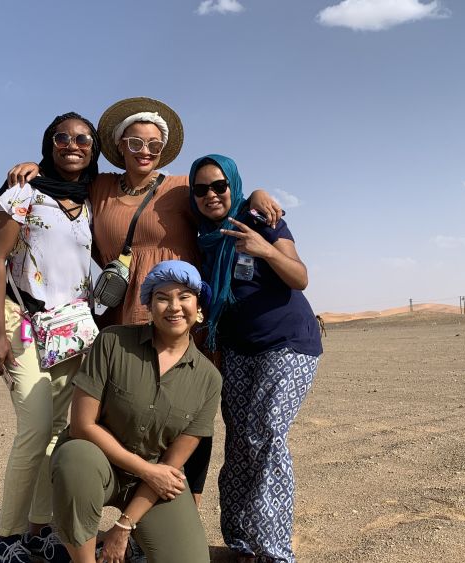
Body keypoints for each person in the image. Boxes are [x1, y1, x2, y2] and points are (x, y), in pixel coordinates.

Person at [6, 97, 282, 504]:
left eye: (154, 143)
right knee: (127, 415)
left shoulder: (181, 188)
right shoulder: (98, 188)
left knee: (186, 412)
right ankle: (121, 509)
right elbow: (66, 173)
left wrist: (257, 192)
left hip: (181, 318)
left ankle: (185, 506)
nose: (145, 151)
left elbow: (224, 197)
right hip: (122, 319)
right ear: (120, 147)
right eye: (135, 143)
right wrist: (37, 168)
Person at [189, 154, 323, 563]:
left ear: (234, 184)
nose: (211, 194)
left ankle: (275, 550)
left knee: (266, 435)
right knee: (242, 443)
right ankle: (243, 541)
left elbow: (299, 277)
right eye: (201, 189)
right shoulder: (202, 237)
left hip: (288, 342)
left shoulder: (260, 218)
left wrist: (264, 248)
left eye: (219, 186)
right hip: (236, 349)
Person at [0, 111, 100, 563]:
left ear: (93, 148)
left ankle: (39, 529)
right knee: (33, 428)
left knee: (55, 431)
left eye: (83, 139)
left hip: (72, 328)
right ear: (48, 144)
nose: (73, 144)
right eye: (62, 137)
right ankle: (8, 539)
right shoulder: (23, 192)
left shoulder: (88, 199)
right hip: (23, 324)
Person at [49, 260, 222, 563]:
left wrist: (122, 527)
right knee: (75, 458)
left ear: (200, 309)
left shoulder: (209, 379)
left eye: (184, 297)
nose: (174, 307)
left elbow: (170, 466)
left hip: (152, 483)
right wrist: (145, 469)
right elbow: (82, 425)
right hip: (96, 463)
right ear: (149, 306)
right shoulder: (113, 342)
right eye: (162, 297)